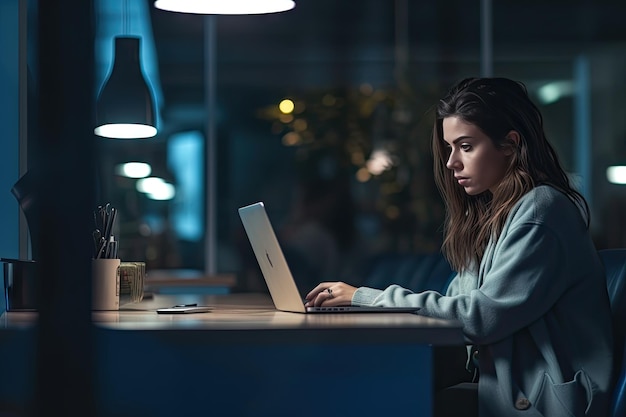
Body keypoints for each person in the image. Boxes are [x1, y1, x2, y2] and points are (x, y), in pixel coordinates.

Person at [305, 77, 614, 417]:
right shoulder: (496, 212)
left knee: (379, 399)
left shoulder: (541, 210)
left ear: (510, 144)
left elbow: (480, 318)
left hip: (542, 401)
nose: (452, 162)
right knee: (368, 389)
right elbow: (460, 307)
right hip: (503, 386)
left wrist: (364, 298)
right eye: (450, 147)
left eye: (465, 146)